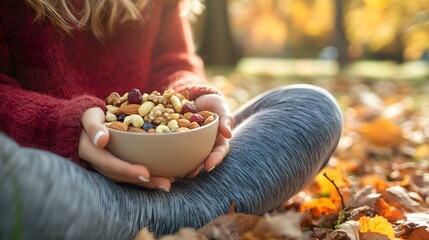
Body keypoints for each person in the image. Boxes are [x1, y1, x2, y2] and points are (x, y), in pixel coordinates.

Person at [0, 0, 343, 239]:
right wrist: (62, 125)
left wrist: (193, 97)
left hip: (178, 176)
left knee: (311, 106)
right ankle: (199, 211)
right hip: (63, 171)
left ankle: (155, 215)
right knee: (13, 179)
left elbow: (173, 60)